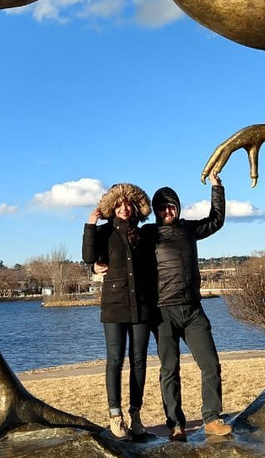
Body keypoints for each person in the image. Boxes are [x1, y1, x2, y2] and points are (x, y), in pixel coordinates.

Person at [147, 173, 232, 440]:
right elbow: (120, 244)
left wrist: (217, 188)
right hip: (163, 312)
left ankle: (212, 418)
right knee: (169, 370)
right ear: (156, 211)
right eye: (161, 207)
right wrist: (97, 262)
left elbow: (216, 220)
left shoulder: (188, 229)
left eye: (171, 206)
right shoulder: (148, 234)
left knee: (210, 364)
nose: (167, 211)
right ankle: (175, 425)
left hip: (193, 309)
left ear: (178, 207)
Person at [83, 182, 158, 440]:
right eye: (119, 204)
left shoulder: (144, 233)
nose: (125, 208)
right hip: (114, 306)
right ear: (112, 208)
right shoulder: (104, 233)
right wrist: (91, 224)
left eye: (129, 204)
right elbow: (87, 256)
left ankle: (135, 415)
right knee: (115, 360)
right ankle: (116, 416)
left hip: (142, 306)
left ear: (136, 207)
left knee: (139, 361)